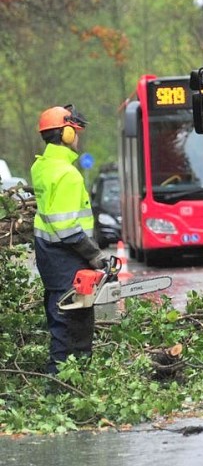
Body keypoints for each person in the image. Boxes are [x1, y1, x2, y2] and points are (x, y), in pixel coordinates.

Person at [31, 105, 108, 374]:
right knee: (73, 328)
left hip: (50, 258)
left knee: (61, 323)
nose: (77, 137)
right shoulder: (67, 174)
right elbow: (66, 228)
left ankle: (65, 385)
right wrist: (94, 255)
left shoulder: (41, 167)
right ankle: (66, 387)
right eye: (74, 132)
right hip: (67, 260)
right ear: (65, 134)